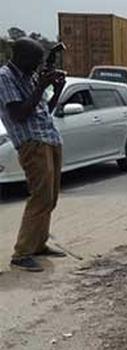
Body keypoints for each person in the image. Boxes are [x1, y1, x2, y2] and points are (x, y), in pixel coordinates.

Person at [0, 38, 67, 272]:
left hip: (49, 138)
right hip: (32, 143)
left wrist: (56, 91)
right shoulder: (5, 77)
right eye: (36, 61)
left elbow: (43, 111)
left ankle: (38, 244)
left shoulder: (28, 78)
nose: (39, 66)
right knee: (40, 197)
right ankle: (22, 253)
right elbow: (18, 114)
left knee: (51, 197)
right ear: (21, 58)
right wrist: (40, 87)